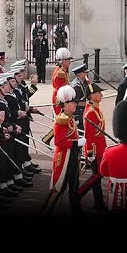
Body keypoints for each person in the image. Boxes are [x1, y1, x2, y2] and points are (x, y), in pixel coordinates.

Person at [45, 84, 82, 214]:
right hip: (65, 157)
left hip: (71, 155)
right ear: (65, 104)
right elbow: (59, 141)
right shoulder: (62, 119)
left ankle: (76, 208)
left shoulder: (69, 117)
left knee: (74, 184)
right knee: (59, 186)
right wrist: (76, 143)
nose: (75, 105)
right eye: (73, 103)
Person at [78, 83, 108, 211]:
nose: (101, 95)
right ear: (92, 96)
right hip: (95, 149)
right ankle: (93, 200)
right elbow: (89, 136)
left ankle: (98, 201)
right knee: (96, 176)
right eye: (98, 93)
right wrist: (90, 152)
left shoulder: (95, 108)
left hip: (100, 147)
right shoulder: (91, 112)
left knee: (98, 176)